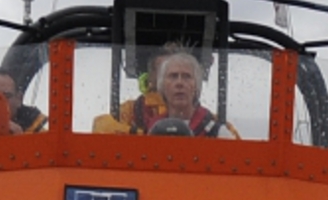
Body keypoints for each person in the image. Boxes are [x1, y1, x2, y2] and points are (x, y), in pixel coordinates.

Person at [93, 47, 233, 137]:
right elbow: (101, 128)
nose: (179, 83)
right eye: (172, 75)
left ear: (196, 85)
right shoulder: (134, 110)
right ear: (159, 81)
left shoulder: (213, 127)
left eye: (186, 76)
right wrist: (141, 135)